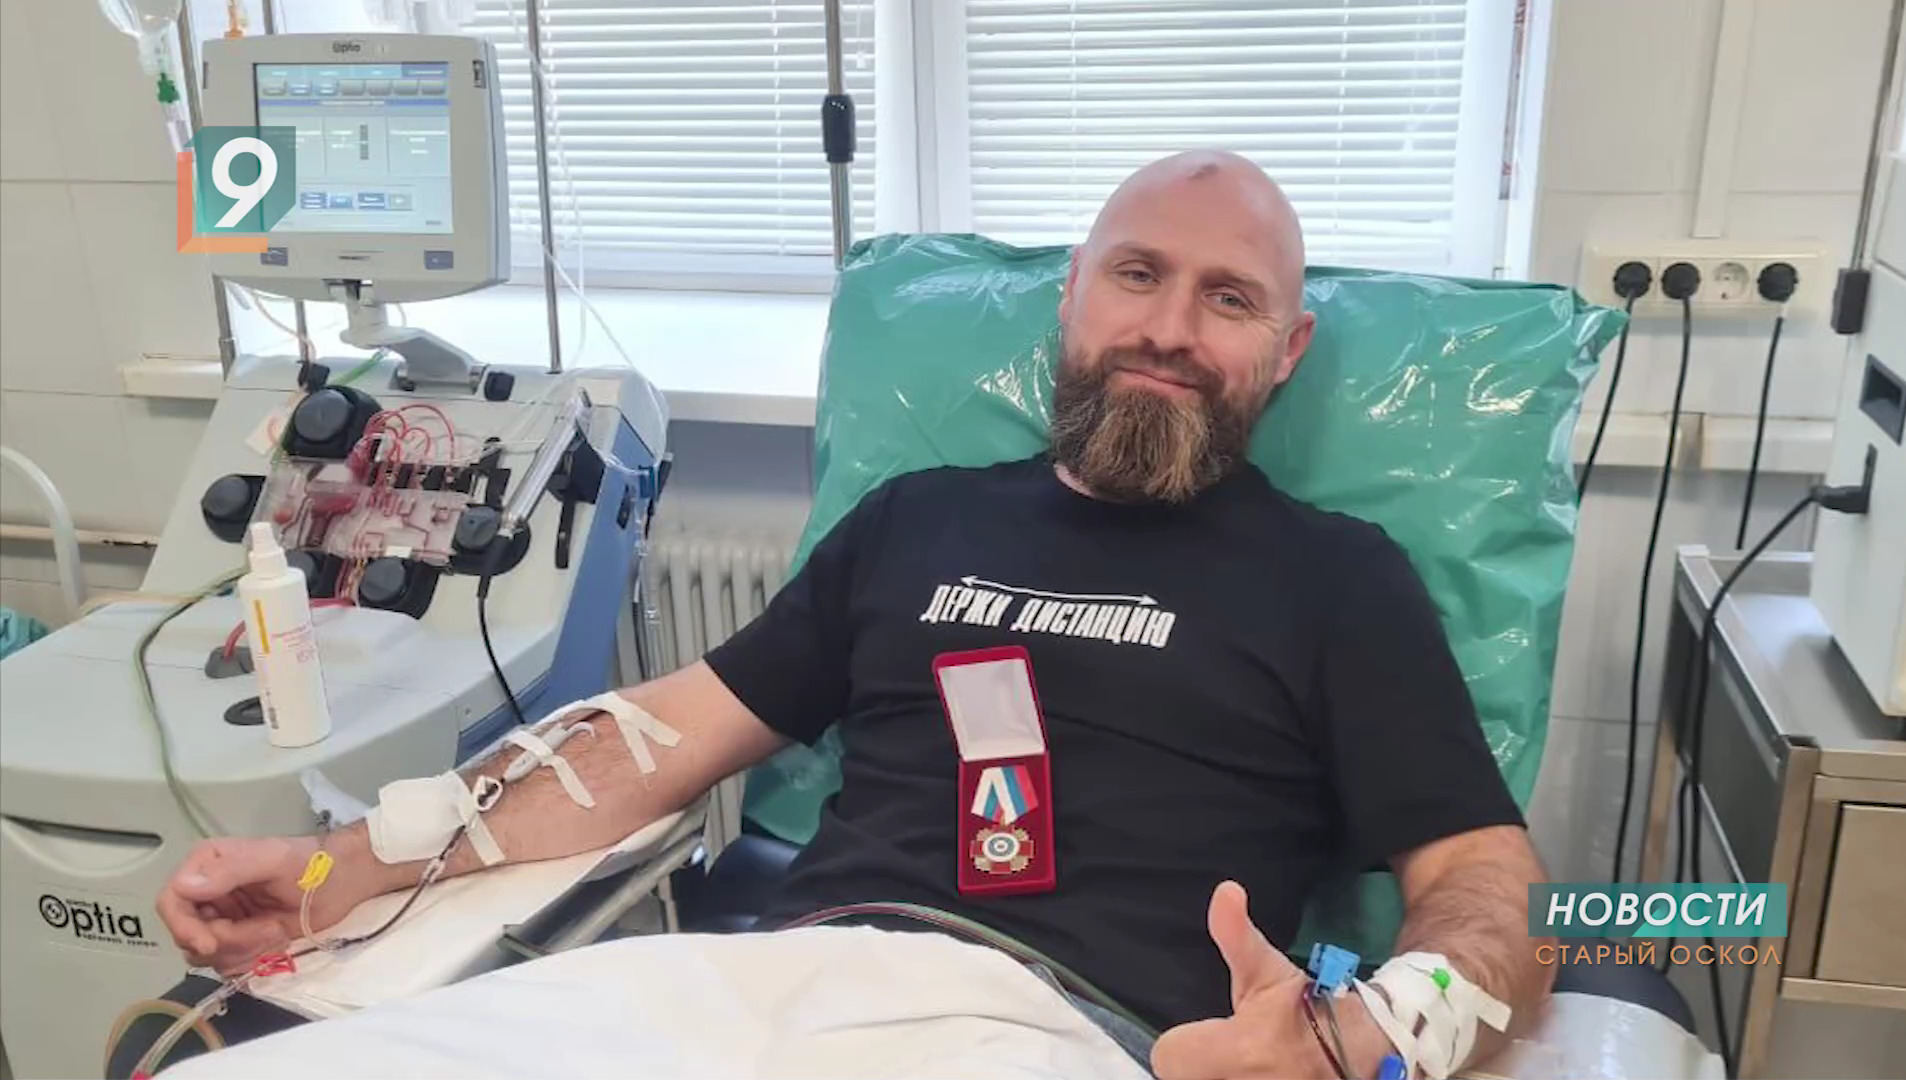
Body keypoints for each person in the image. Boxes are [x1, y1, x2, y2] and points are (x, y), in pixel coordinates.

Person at [156, 150, 1551, 1079]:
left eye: (1228, 299)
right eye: (1138, 274)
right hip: (757, 993)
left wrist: (1367, 1039)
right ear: (1074, 295)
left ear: (1287, 351)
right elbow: (643, 743)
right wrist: (338, 869)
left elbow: (1495, 895)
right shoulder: (915, 521)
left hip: (1059, 1029)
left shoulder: (1337, 578)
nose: (1170, 329)